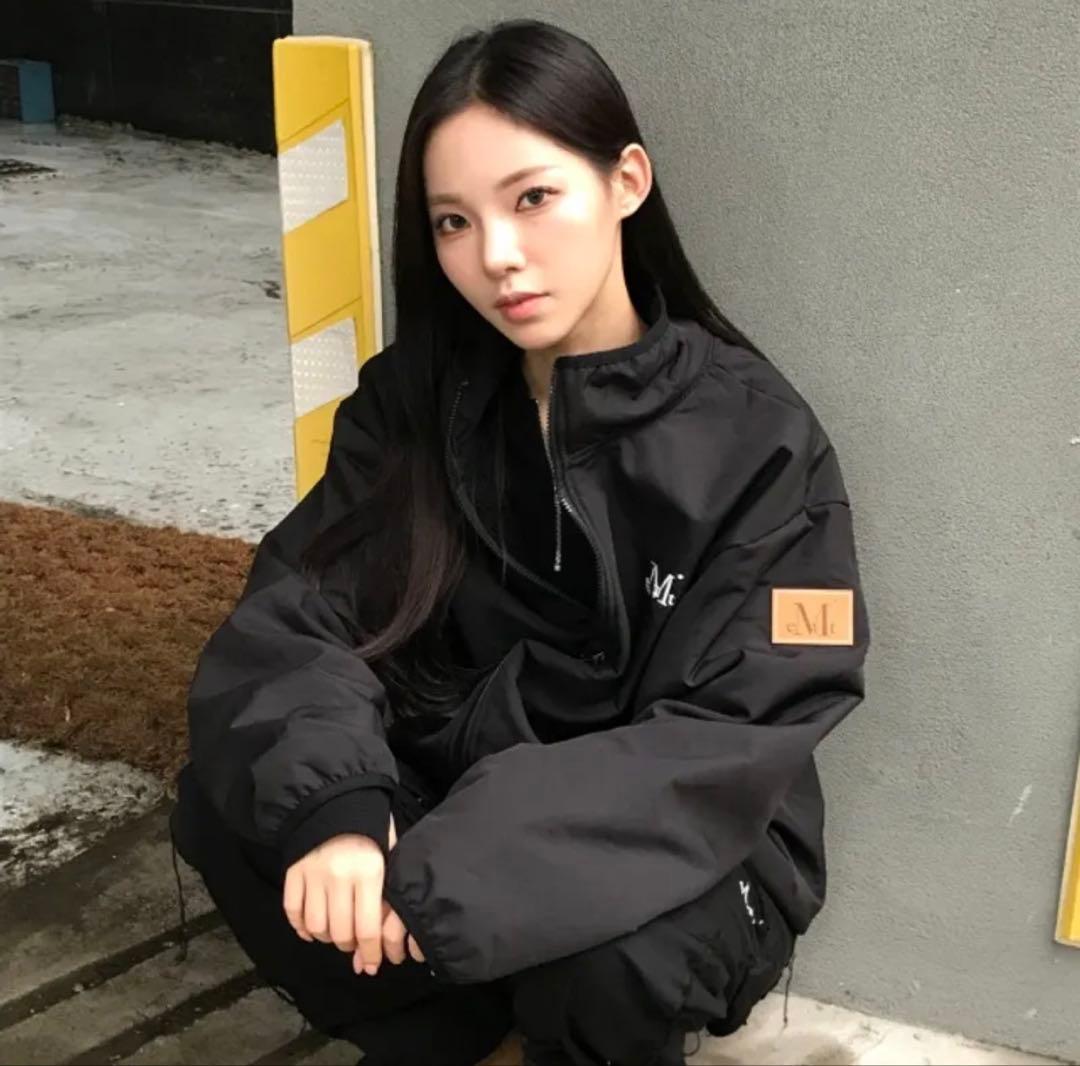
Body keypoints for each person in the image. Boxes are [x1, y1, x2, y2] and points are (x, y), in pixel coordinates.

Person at [170, 16, 870, 1066]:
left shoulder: (759, 441)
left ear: (625, 182)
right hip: (457, 799)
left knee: (608, 960)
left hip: (690, 834)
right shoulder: (416, 402)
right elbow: (300, 613)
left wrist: (459, 870)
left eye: (532, 198)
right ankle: (465, 1044)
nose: (496, 256)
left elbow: (734, 726)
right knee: (246, 807)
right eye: (454, 221)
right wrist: (343, 811)